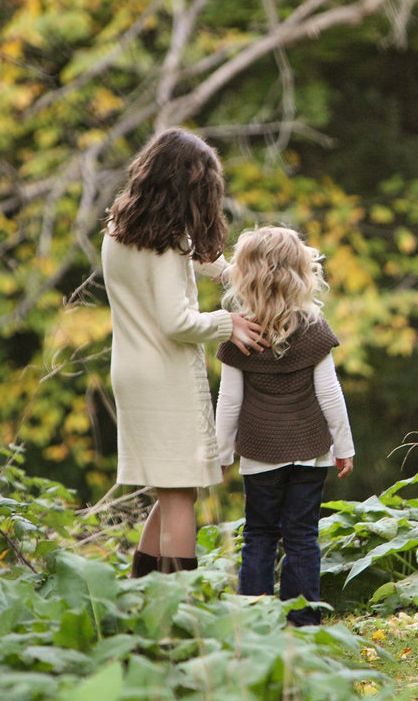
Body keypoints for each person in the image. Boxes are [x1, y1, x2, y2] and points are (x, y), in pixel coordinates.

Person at [102, 128, 266, 578]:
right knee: (179, 498)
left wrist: (225, 270)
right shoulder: (168, 244)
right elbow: (176, 321)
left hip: (133, 372)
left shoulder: (121, 231)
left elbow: (172, 268)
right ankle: (181, 610)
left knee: (173, 492)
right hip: (163, 377)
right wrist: (226, 323)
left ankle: (143, 593)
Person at [215, 225, 355, 627]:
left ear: (243, 275)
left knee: (259, 535)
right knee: (302, 536)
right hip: (310, 451)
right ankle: (304, 624)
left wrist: (222, 455)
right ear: (302, 273)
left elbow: (230, 402)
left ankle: (255, 624)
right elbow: (330, 394)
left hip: (260, 454)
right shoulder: (313, 330)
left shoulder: (238, 334)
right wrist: (344, 446)